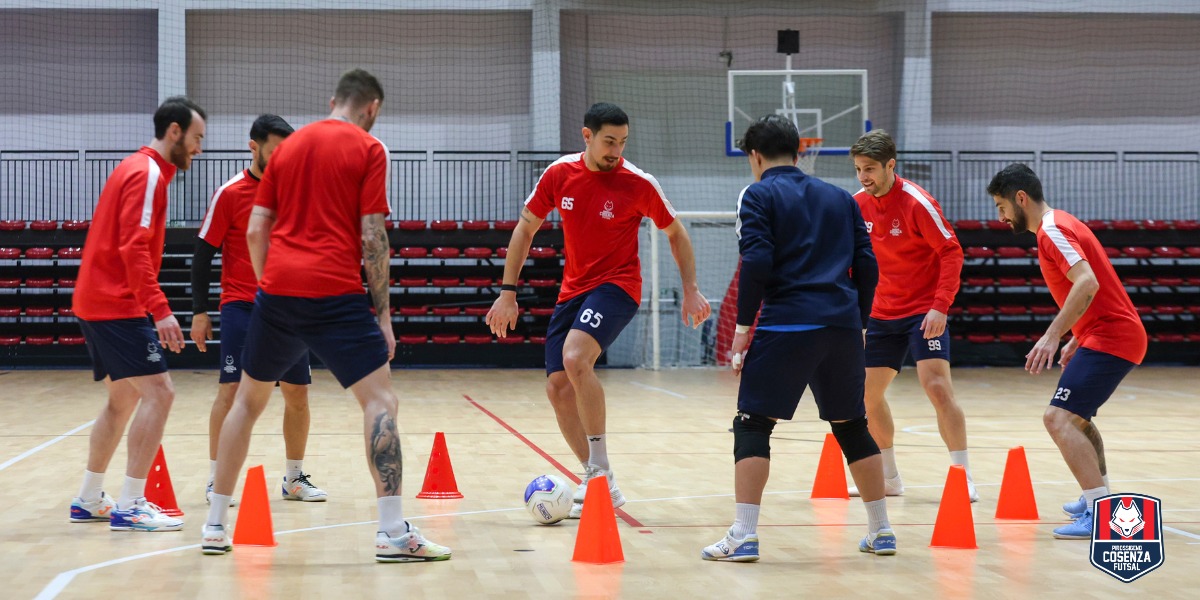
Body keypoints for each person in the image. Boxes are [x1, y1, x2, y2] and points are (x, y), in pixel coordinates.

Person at [201, 69, 450, 562]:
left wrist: (269, 288)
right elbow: (373, 236)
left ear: (333, 99)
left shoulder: (286, 149)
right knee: (380, 400)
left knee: (246, 403)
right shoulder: (369, 148)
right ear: (372, 108)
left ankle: (213, 526)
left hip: (276, 293)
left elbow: (255, 231)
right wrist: (383, 316)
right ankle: (391, 532)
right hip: (336, 293)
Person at [486, 102, 711, 519]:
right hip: (573, 290)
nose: (616, 151)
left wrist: (691, 289)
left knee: (575, 358)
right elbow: (525, 229)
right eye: (609, 141)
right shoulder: (559, 174)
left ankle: (601, 474)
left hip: (618, 287)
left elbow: (676, 233)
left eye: (623, 142)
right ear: (587, 136)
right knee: (558, 388)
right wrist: (507, 292)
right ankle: (597, 476)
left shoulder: (639, 183)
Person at [701, 115, 892, 562]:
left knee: (752, 424)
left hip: (787, 324)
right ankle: (882, 530)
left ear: (755, 156)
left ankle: (744, 535)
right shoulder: (841, 197)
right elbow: (868, 265)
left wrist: (742, 330)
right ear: (799, 151)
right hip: (843, 326)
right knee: (853, 426)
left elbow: (757, 261)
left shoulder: (757, 193)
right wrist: (860, 323)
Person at [68, 97, 206, 532]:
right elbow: (133, 246)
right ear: (174, 132)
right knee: (160, 393)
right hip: (115, 303)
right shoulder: (147, 173)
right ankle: (131, 504)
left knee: (123, 398)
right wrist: (160, 310)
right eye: (197, 138)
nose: (199, 148)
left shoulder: (137, 168)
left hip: (95, 300)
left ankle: (89, 497)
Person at [988, 163, 1147, 540]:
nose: (1001, 217)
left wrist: (1053, 335)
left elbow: (1087, 282)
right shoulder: (1062, 222)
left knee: (1057, 418)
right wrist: (1078, 334)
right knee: (1077, 419)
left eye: (1002, 207)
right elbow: (1097, 284)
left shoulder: (1052, 230)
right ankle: (1099, 498)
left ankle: (1099, 511)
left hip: (1113, 336)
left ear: (1020, 198)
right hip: (1104, 333)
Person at [191, 114, 327, 506]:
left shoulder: (297, 193)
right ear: (253, 147)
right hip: (242, 306)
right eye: (276, 150)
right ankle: (217, 480)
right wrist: (199, 311)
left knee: (298, 393)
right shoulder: (230, 193)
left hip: (289, 308)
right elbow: (203, 254)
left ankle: (294, 478)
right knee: (232, 391)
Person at [849, 130, 976, 501]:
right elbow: (851, 262)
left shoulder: (918, 202)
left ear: (891, 165)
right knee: (866, 396)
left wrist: (940, 305)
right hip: (879, 313)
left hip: (923, 311)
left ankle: (962, 477)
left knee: (936, 386)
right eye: (858, 169)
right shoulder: (855, 205)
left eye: (870, 169)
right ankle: (889, 478)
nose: (863, 177)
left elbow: (951, 253)